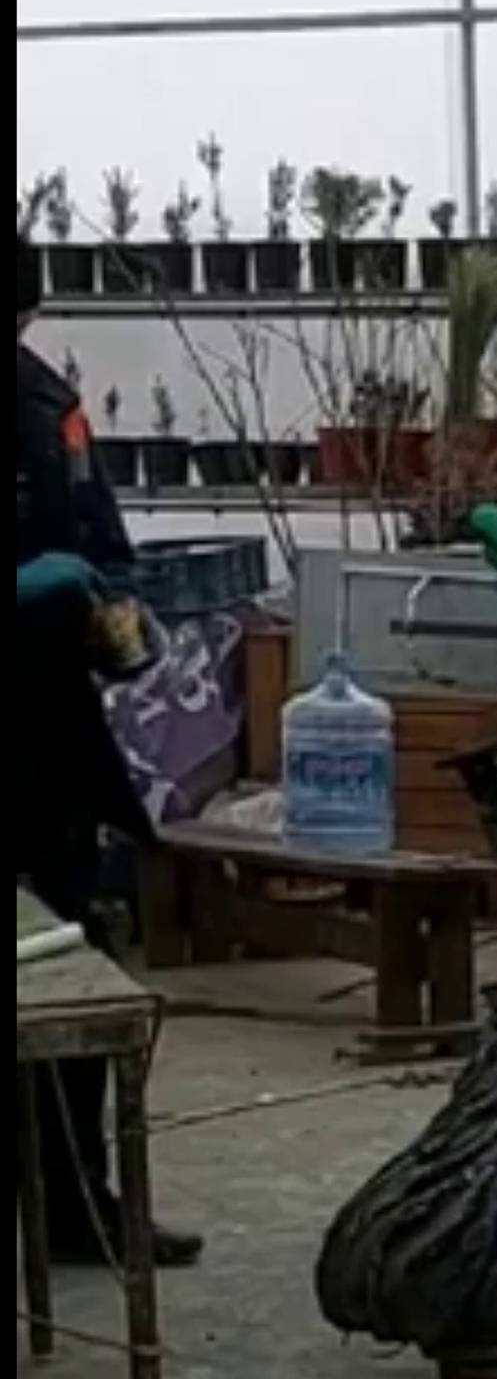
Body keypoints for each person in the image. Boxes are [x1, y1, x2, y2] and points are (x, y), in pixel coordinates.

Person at [16, 236, 202, 1265]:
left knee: (70, 959)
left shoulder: (46, 400)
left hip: (43, 729)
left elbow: (91, 530)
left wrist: (117, 600)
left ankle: (75, 1207)